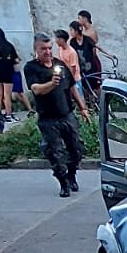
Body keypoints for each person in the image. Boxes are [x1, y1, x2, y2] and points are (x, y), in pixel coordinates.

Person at [25, 32, 83, 197]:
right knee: (55, 154)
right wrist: (52, 83)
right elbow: (36, 89)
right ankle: (63, 182)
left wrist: (83, 108)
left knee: (76, 149)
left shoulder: (60, 65)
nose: (48, 52)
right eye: (43, 49)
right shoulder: (31, 67)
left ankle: (72, 175)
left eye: (50, 48)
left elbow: (72, 88)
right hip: (48, 120)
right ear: (36, 49)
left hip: (67, 115)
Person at [55, 28, 92, 117]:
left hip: (74, 79)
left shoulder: (71, 52)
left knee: (80, 100)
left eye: (57, 38)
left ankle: (87, 117)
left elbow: (73, 68)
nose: (55, 40)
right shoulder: (60, 49)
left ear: (62, 39)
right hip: (64, 78)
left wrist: (68, 80)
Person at [69, 18, 102, 100]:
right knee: (85, 88)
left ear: (77, 31)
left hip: (91, 68)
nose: (70, 32)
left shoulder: (87, 40)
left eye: (71, 30)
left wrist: (109, 55)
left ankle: (100, 103)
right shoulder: (72, 42)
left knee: (95, 87)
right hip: (81, 69)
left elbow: (95, 50)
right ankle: (89, 106)